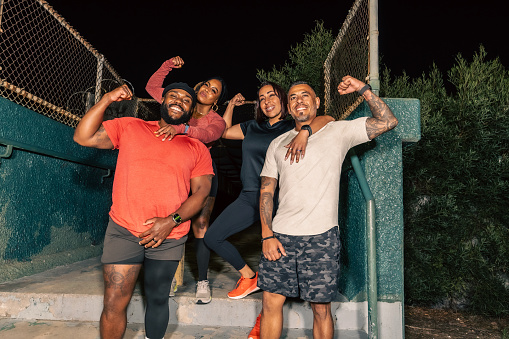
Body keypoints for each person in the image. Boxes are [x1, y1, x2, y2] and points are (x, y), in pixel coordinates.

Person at [257, 76, 398, 339]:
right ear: (288, 108)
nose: (299, 100)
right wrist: (267, 234)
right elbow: (266, 190)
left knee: (321, 309)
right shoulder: (277, 144)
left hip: (321, 237)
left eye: (305, 95)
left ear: (317, 102)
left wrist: (363, 90)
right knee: (270, 303)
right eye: (293, 97)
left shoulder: (338, 131)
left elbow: (387, 122)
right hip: (281, 236)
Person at [73, 83, 213, 339]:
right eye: (173, 95)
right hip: (124, 229)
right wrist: (106, 100)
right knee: (114, 302)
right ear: (162, 100)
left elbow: (202, 193)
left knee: (158, 299)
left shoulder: (197, 148)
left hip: (169, 236)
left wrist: (171, 221)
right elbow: (82, 137)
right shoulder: (131, 126)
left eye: (186, 99)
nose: (179, 99)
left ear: (191, 110)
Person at [203, 82, 334, 307]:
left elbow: (329, 119)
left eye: (271, 96)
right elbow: (222, 132)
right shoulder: (252, 127)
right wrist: (232, 105)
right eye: (262, 98)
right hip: (249, 195)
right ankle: (249, 277)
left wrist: (304, 132)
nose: (266, 101)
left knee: (277, 259)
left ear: (284, 100)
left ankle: (265, 317)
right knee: (212, 236)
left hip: (282, 198)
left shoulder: (291, 127)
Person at [145, 56, 227, 304]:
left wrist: (183, 129)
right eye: (205, 85)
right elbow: (151, 88)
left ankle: (202, 281)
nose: (207, 90)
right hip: (174, 168)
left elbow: (209, 134)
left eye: (214, 91)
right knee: (170, 221)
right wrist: (167, 65)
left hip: (202, 171)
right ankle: (169, 277)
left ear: (216, 100)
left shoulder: (216, 120)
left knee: (200, 226)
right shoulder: (181, 103)